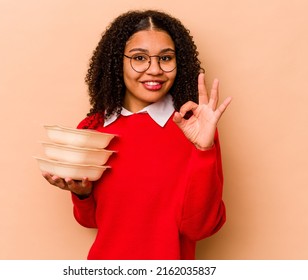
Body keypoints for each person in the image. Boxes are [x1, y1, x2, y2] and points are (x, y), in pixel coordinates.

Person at [42, 9, 232, 260]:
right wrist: (81, 193)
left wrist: (204, 151)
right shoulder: (93, 128)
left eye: (166, 58)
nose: (154, 69)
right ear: (116, 62)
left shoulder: (194, 130)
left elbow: (200, 228)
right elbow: (89, 221)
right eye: (139, 58)